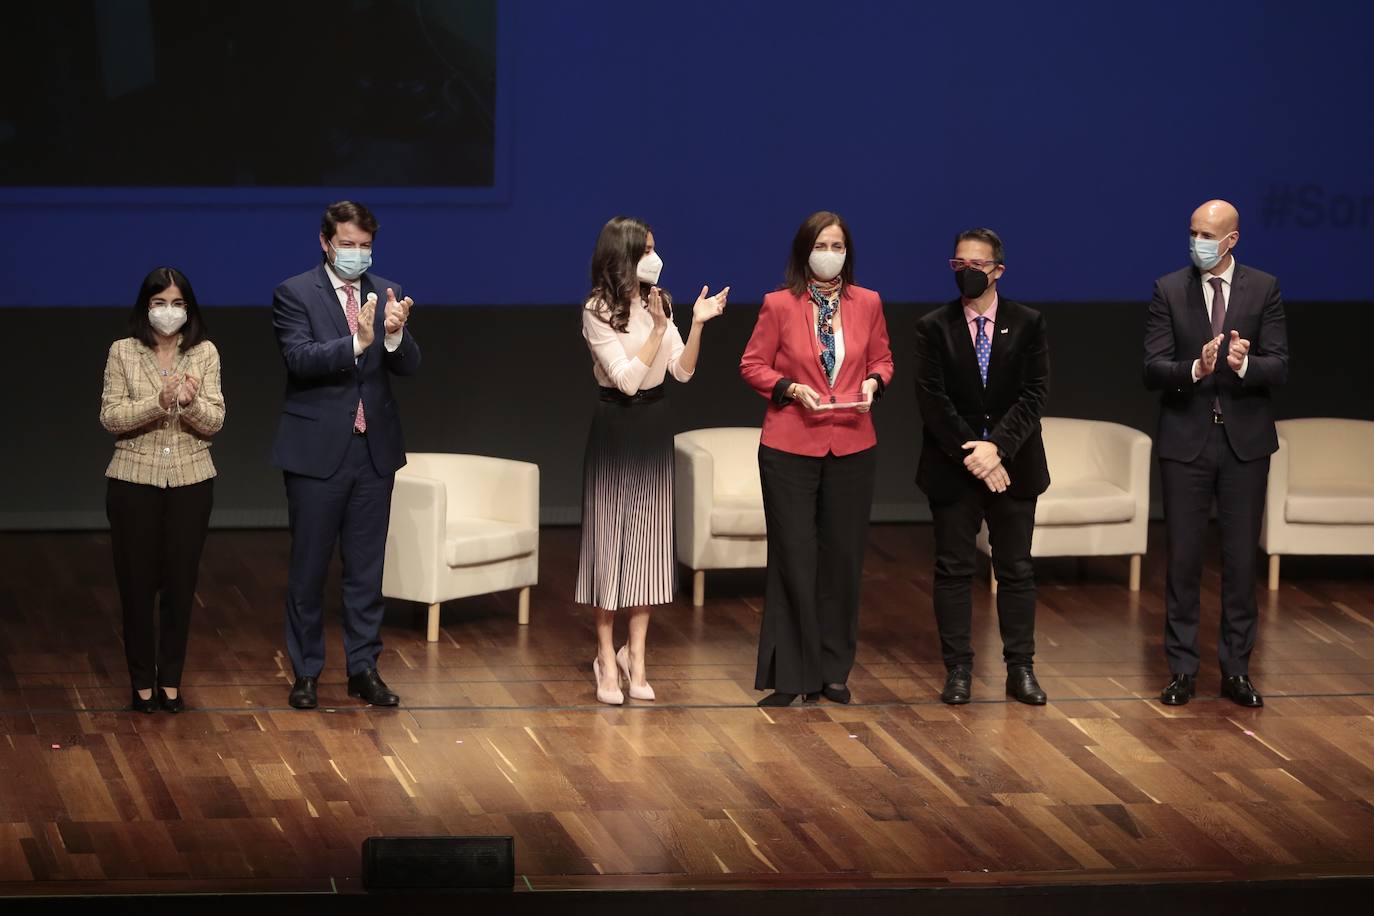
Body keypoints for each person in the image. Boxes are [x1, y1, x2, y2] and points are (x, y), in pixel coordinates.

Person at [740, 211, 894, 707]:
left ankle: (832, 671)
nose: (831, 253)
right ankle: (791, 676)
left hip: (852, 443)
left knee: (843, 560)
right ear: (805, 249)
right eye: (822, 244)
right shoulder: (779, 304)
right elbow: (753, 365)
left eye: (838, 245)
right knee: (794, 557)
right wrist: (788, 387)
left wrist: (874, 383)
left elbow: (883, 360)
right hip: (789, 447)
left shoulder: (868, 303)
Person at [271, 200, 420, 710]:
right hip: (317, 453)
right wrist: (356, 343)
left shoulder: (385, 289)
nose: (357, 254)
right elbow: (299, 359)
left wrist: (395, 335)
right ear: (325, 242)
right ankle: (308, 672)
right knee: (309, 569)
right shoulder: (295, 293)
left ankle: (363, 668)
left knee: (366, 570)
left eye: (365, 246)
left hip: (372, 452)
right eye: (348, 245)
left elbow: (409, 366)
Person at [578, 216, 728, 705]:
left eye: (655, 249)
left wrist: (696, 324)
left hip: (654, 428)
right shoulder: (597, 310)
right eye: (645, 251)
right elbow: (623, 378)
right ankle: (605, 656)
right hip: (616, 428)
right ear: (621, 256)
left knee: (646, 549)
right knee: (609, 548)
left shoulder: (660, 303)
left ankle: (635, 656)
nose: (654, 259)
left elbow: (680, 372)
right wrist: (656, 330)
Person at [1144, 199, 1288, 708]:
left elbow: (1280, 366)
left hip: (1245, 446)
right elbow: (1152, 368)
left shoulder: (1263, 288)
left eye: (1208, 234)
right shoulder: (1168, 289)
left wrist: (1244, 365)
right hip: (1186, 444)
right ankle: (1182, 670)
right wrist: (1197, 369)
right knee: (1182, 560)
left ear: (1232, 240)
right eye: (1192, 232)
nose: (1198, 242)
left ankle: (1237, 670)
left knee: (1239, 563)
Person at [913, 228, 1050, 706]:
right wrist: (974, 453)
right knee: (953, 570)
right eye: (958, 266)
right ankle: (958, 671)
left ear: (998, 270)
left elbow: (1033, 395)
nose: (967, 273)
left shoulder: (1028, 322)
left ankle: (1021, 670)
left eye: (976, 265)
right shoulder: (934, 326)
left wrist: (999, 449)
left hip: (1014, 466)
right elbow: (932, 400)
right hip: (954, 467)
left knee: (1016, 569)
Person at [100, 267, 225, 713]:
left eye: (176, 303)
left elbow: (215, 423)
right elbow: (111, 417)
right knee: (135, 587)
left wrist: (189, 405)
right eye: (159, 303)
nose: (168, 312)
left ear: (187, 309)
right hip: (133, 482)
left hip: (191, 482)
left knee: (179, 584)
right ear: (145, 307)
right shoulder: (123, 352)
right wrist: (159, 402)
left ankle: (170, 681)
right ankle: (141, 685)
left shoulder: (204, 353)